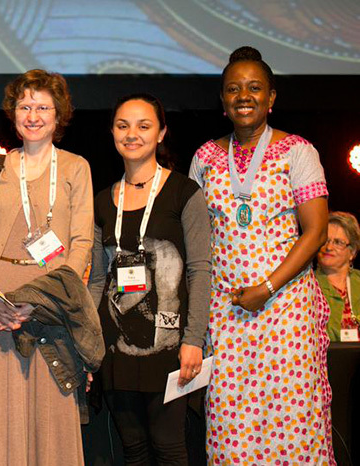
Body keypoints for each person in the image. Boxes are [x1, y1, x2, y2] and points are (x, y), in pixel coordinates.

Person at [189, 46, 335, 464]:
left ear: (272, 97)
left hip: (286, 312)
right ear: (222, 101)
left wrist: (267, 287)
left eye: (255, 88)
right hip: (227, 316)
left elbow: (317, 231)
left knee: (294, 422)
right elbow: (198, 239)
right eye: (233, 89)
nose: (244, 96)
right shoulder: (205, 158)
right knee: (231, 429)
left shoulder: (298, 152)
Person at [0, 69, 96, 466]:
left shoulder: (76, 167)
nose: (33, 115)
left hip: (53, 313)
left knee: (51, 425)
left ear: (59, 116)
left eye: (43, 107)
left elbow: (82, 244)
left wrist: (46, 301)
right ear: (13, 113)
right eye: (25, 106)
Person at [88, 93, 211, 464]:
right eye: (123, 126)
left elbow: (200, 269)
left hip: (171, 346)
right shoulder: (102, 200)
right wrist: (90, 343)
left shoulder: (184, 193)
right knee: (134, 449)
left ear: (161, 133)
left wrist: (193, 339)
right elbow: (96, 279)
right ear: (112, 132)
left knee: (169, 445)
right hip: (116, 347)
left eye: (144, 126)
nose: (132, 134)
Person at [316, 211, 360, 342]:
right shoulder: (307, 284)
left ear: (352, 252)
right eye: (325, 240)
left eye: (338, 242)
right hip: (327, 359)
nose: (329, 247)